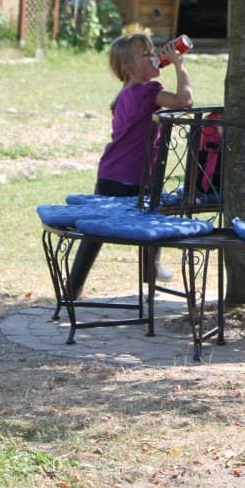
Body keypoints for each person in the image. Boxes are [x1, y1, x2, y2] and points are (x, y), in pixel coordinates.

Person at [69, 32, 194, 298]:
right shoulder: (148, 92)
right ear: (128, 68)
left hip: (112, 173)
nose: (154, 56)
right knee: (151, 213)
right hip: (130, 177)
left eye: (153, 50)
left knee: (97, 233)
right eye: (145, 53)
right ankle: (152, 268)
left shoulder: (127, 93)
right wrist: (180, 65)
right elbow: (185, 101)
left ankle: (73, 288)